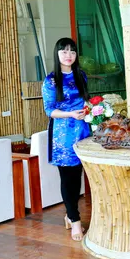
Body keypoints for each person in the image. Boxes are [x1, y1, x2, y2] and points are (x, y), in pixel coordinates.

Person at [42, 37, 91, 241]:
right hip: (62, 133)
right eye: (64, 51)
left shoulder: (81, 75)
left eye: (72, 51)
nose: (68, 55)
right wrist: (70, 114)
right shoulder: (51, 80)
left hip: (83, 131)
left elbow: (85, 100)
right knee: (68, 178)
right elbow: (49, 110)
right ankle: (75, 221)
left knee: (78, 176)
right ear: (57, 54)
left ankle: (70, 214)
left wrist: (90, 109)